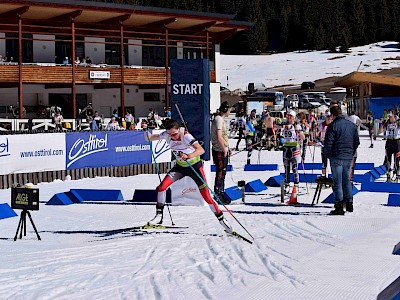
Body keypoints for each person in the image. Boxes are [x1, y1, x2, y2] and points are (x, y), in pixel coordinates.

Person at [144, 119, 233, 233]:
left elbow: (201, 150)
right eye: (170, 134)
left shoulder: (186, 136)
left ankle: (222, 219)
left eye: (174, 134)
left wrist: (188, 155)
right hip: (180, 167)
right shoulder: (167, 135)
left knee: (206, 196)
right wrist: (145, 131)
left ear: (178, 130)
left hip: (194, 167)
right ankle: (159, 216)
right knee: (161, 187)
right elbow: (150, 138)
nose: (173, 137)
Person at [324, 106, 360, 215]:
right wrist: (351, 151)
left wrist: (327, 154)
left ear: (333, 115)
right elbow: (356, 142)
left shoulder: (333, 126)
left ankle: (339, 206)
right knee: (346, 180)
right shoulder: (352, 125)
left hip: (336, 156)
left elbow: (328, 143)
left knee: (337, 181)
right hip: (348, 156)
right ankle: (349, 203)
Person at [211, 101, 231, 205]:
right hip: (219, 150)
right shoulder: (219, 120)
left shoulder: (221, 119)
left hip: (222, 149)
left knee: (223, 172)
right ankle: (218, 193)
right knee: (220, 172)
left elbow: (223, 137)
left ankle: (221, 192)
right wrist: (224, 149)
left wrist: (227, 147)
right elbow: (219, 137)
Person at [281, 110, 304, 193]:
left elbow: (303, 137)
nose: (289, 118)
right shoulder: (285, 125)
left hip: (294, 147)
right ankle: (287, 185)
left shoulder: (296, 125)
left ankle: (296, 185)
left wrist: (299, 132)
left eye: (290, 116)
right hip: (286, 147)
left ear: (294, 117)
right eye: (288, 116)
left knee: (294, 167)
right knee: (286, 168)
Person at [378, 113, 400, 182]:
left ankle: (396, 176)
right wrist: (382, 124)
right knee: (388, 160)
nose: (390, 118)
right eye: (389, 117)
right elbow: (380, 131)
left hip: (397, 142)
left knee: (396, 160)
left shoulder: (398, 123)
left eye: (391, 117)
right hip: (389, 142)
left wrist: (397, 121)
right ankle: (388, 176)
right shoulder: (387, 123)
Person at [316, 112, 332, 178]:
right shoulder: (322, 125)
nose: (329, 119)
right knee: (324, 162)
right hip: (324, 145)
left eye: (330, 117)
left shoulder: (333, 125)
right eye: (327, 117)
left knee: (332, 162)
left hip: (331, 146)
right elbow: (317, 133)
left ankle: (333, 175)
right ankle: (324, 175)